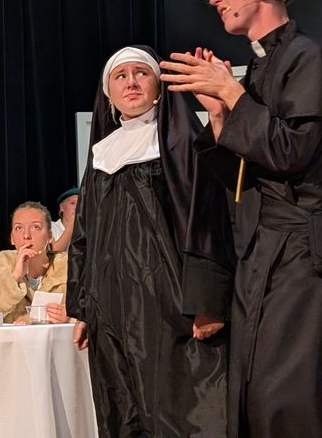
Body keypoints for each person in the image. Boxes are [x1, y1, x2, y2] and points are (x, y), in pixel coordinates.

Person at [160, 0, 322, 437]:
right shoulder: (259, 68)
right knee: (257, 394)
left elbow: (290, 153)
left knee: (293, 398)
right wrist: (220, 115)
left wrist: (232, 93)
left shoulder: (308, 58)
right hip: (264, 249)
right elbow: (241, 179)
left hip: (305, 250)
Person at [67, 45, 234, 437]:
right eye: (120, 76)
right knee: (124, 413)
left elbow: (211, 223)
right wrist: (83, 308)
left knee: (183, 413)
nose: (131, 83)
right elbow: (85, 235)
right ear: (108, 93)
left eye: (141, 73)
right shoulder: (102, 155)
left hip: (171, 305)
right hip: (110, 309)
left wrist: (209, 301)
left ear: (159, 86)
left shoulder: (182, 143)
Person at [0, 201, 69, 324]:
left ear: (49, 236)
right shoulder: (1, 264)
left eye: (35, 227)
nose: (26, 235)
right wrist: (14, 277)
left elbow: (87, 315)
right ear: (12, 238)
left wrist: (71, 317)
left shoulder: (68, 267)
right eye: (19, 228)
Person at [50, 187, 78, 252]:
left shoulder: (89, 231)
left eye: (81, 203)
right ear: (62, 207)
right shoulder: (51, 227)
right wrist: (71, 225)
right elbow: (54, 252)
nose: (77, 207)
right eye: (72, 203)